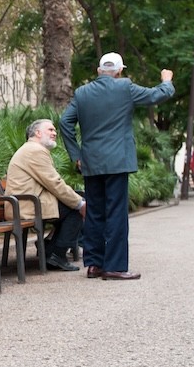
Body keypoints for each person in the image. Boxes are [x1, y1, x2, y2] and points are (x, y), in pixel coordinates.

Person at [59, 52, 174, 280]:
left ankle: (94, 264)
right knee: (116, 214)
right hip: (118, 162)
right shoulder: (125, 88)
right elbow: (157, 95)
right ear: (120, 71)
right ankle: (115, 266)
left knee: (94, 213)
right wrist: (167, 80)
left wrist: (76, 155)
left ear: (98, 70)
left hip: (91, 162)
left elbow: (65, 122)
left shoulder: (82, 93)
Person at [5, 119, 86, 272]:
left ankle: (50, 247)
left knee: (78, 199)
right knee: (76, 209)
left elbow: (52, 183)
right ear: (37, 133)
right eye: (50, 130)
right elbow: (54, 183)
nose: (54, 133)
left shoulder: (32, 149)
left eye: (55, 130)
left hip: (28, 202)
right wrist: (80, 204)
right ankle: (55, 253)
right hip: (25, 206)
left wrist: (79, 200)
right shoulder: (35, 151)